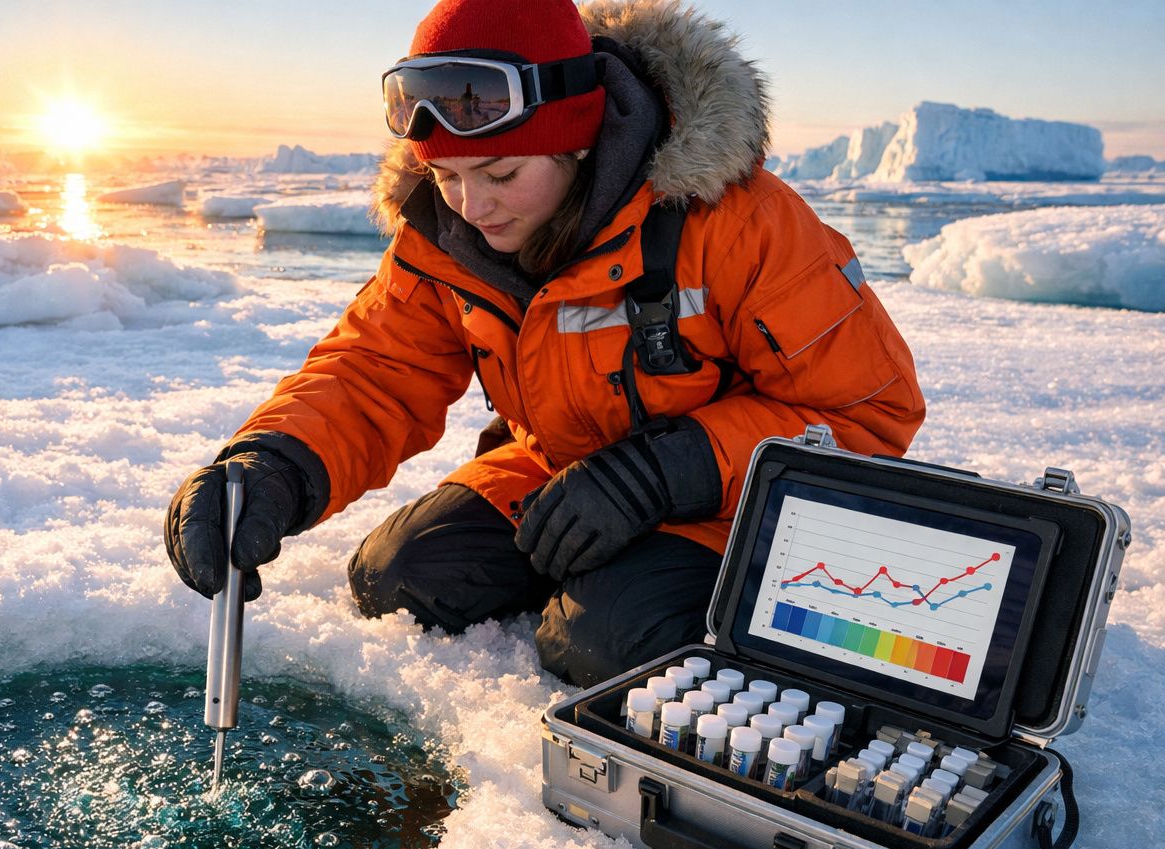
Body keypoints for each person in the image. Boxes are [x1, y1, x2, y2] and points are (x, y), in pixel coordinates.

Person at [166, 0, 925, 687]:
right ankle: (593, 574)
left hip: (727, 505)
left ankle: (641, 594)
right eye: (449, 177)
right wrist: (270, 465)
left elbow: (869, 417)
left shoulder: (741, 221)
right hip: (558, 473)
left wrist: (667, 472)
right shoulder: (444, 235)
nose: (473, 205)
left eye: (500, 172)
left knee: (603, 644)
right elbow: (375, 370)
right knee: (399, 577)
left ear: (580, 142)